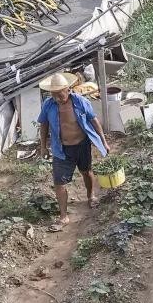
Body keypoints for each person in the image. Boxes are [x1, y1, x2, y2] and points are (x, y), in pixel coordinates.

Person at [36, 72, 110, 229]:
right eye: (53, 94)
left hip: (82, 145)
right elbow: (43, 125)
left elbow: (94, 120)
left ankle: (91, 196)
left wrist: (103, 141)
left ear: (68, 89)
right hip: (61, 149)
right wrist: (43, 146)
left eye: (59, 94)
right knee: (59, 183)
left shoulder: (81, 102)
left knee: (86, 171)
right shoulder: (48, 105)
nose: (57, 98)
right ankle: (63, 216)